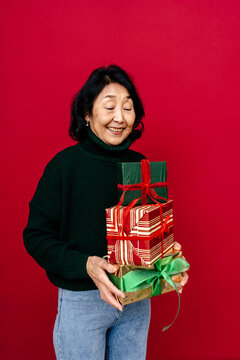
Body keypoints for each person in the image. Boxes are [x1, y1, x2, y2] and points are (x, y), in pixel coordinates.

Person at [23, 64, 188, 360]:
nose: (120, 117)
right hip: (82, 303)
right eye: (109, 106)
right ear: (87, 114)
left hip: (136, 301)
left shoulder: (143, 166)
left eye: (128, 107)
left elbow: (150, 232)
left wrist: (170, 261)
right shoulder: (65, 166)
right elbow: (35, 237)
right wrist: (86, 264)